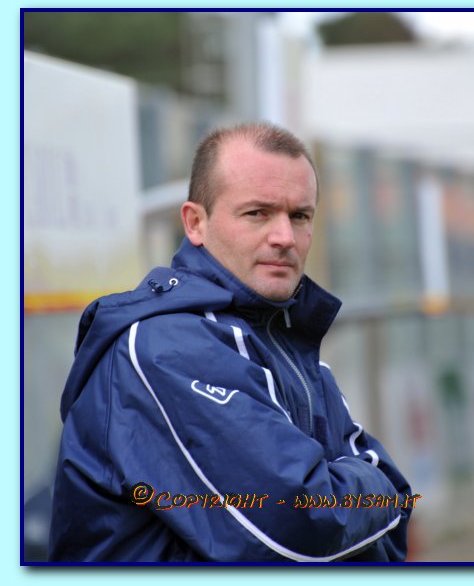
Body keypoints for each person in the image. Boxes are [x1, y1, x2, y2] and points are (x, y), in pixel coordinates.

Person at [49, 122, 413, 563]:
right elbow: (303, 522)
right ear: (195, 223)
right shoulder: (164, 347)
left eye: (300, 216)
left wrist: (359, 496)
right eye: (257, 213)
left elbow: (396, 514)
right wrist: (368, 493)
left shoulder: (290, 348)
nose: (284, 237)